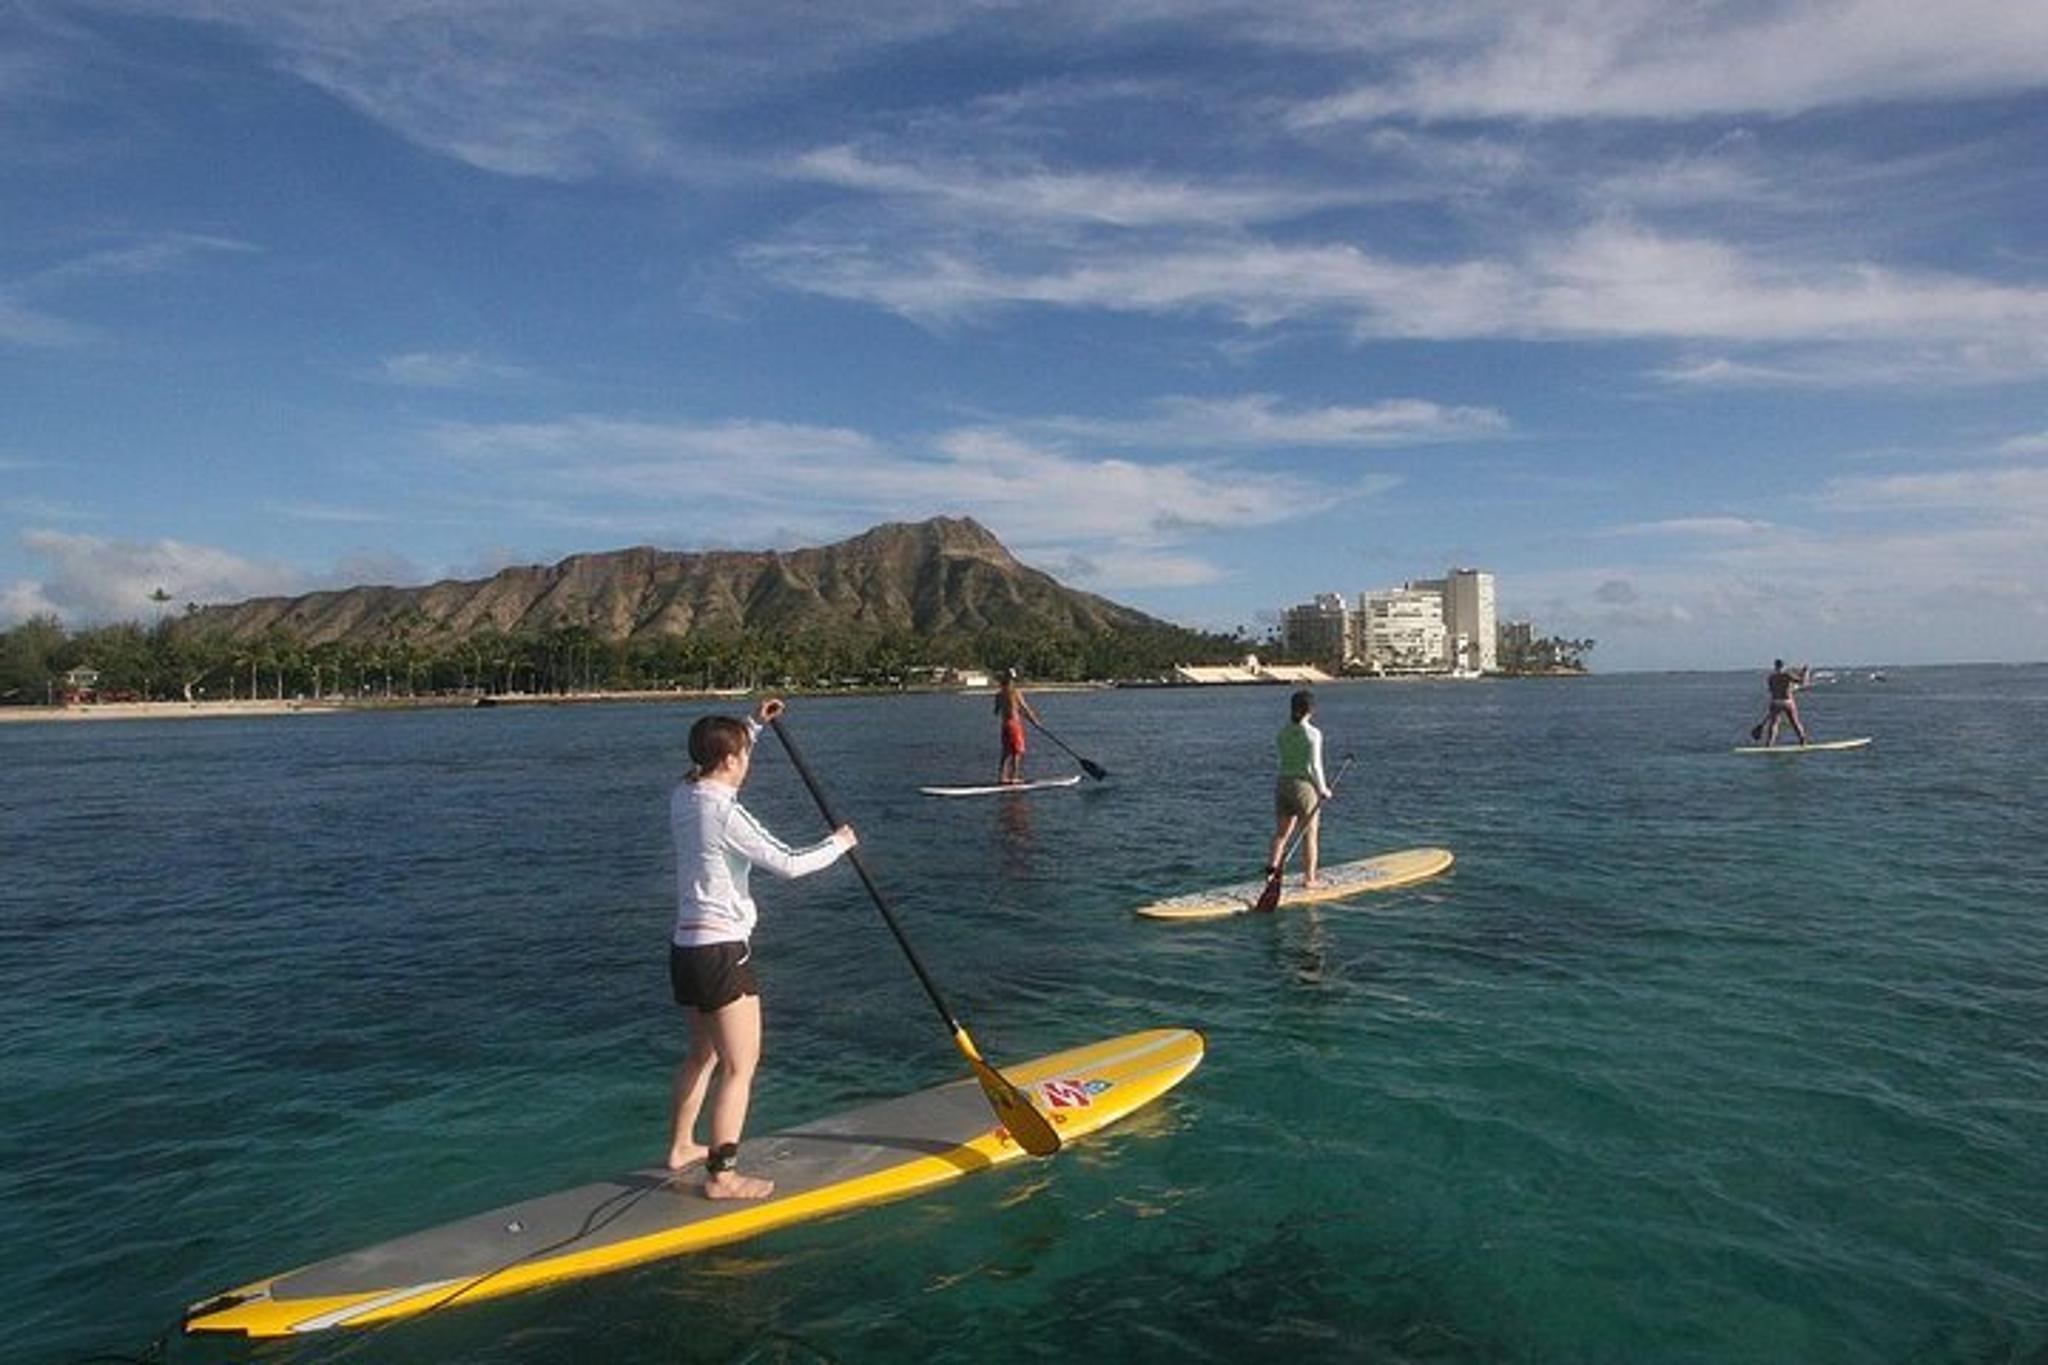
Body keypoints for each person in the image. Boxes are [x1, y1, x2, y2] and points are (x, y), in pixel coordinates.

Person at [668, 697, 856, 1199]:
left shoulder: (682, 796)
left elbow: (712, 759)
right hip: (723, 953)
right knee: (739, 1067)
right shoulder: (726, 813)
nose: (746, 761)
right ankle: (722, 1177)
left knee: (702, 1056)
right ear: (729, 761)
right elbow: (790, 863)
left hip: (685, 951)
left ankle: (683, 1147)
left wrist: (755, 724)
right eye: (742, 753)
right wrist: (839, 844)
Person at [1266, 688, 1334, 890]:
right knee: (1310, 834)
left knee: (1281, 834)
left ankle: (1270, 875)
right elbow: (1315, 766)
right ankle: (1309, 879)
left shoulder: (1282, 732)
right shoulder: (1313, 734)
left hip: (1282, 783)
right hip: (1304, 787)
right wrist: (1323, 789)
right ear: (1311, 710)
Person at [993, 669, 1043, 785]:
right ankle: (1014, 778)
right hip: (1015, 725)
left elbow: (996, 712)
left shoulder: (999, 695)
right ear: (1011, 680)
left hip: (1005, 725)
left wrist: (1015, 709)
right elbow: (1025, 708)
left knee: (1005, 753)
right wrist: (1035, 721)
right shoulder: (1015, 693)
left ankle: (1002, 777)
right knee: (1017, 752)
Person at [1750, 659, 1812, 747]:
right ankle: (1803, 742)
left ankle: (1769, 744)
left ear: (1775, 666)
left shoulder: (1771, 677)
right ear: (1784, 666)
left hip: (1775, 702)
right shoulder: (1787, 675)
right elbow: (1803, 682)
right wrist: (1806, 673)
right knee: (1795, 723)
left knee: (1774, 724)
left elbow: (1771, 690)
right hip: (1788, 702)